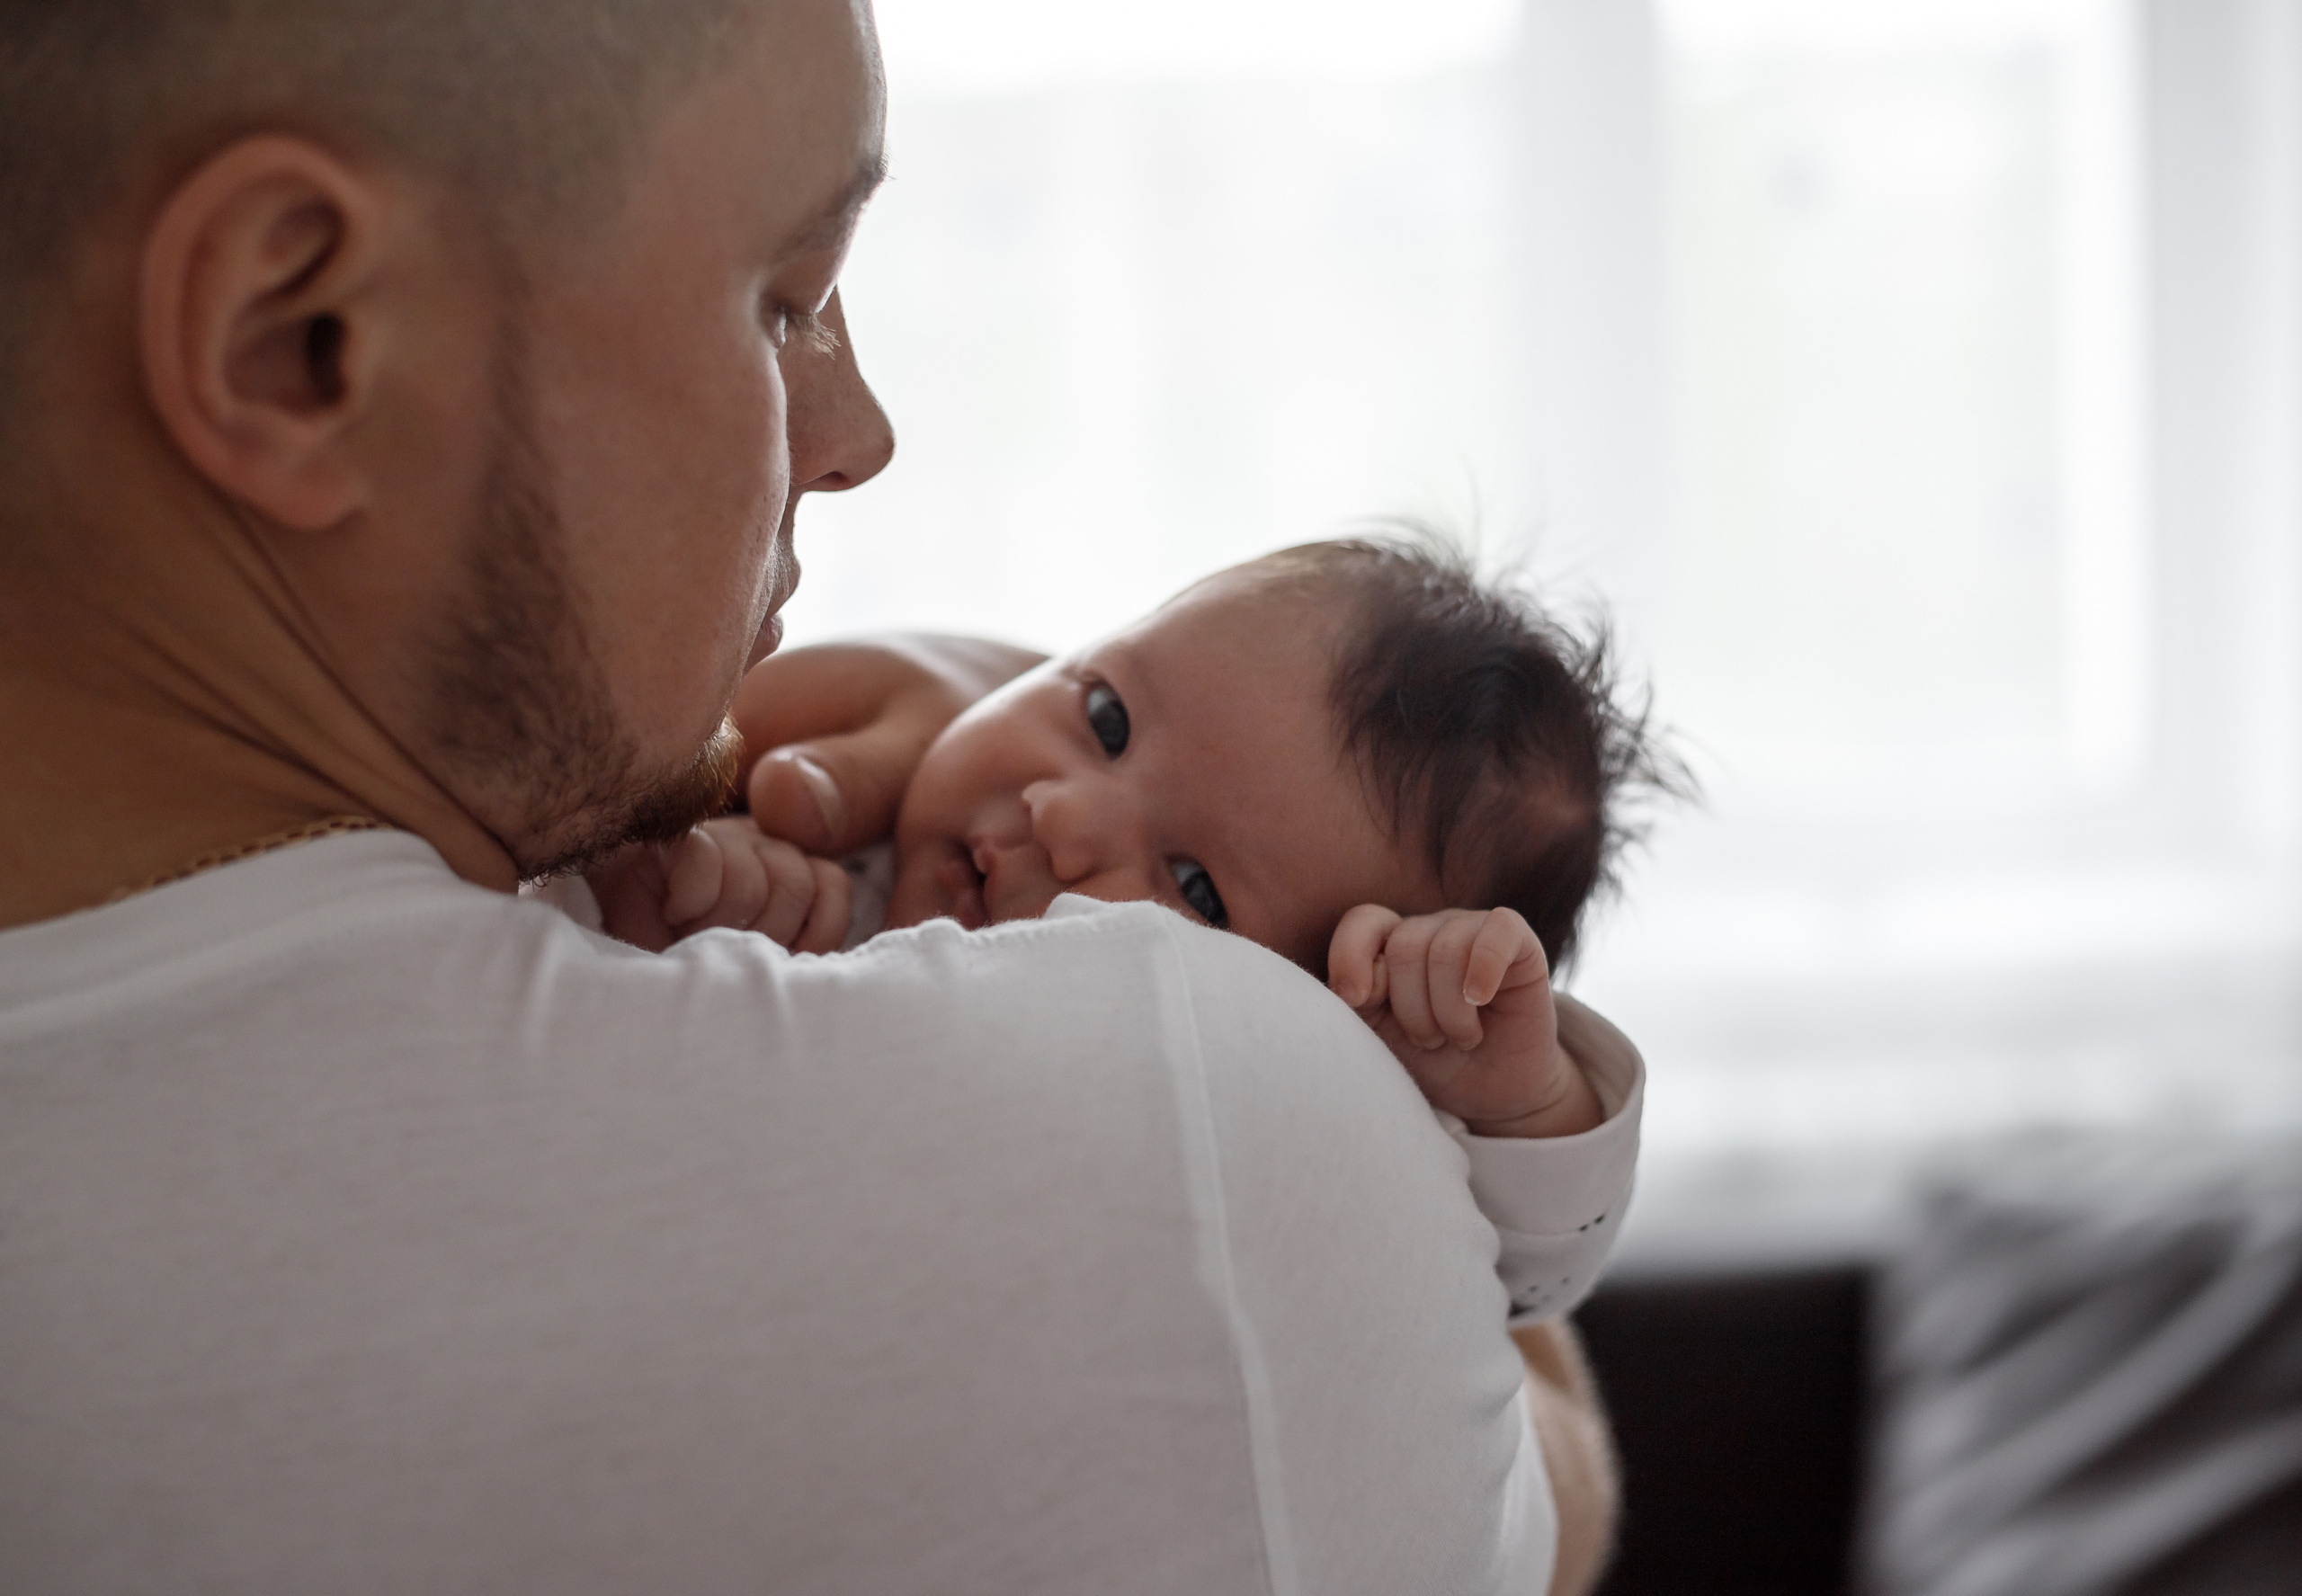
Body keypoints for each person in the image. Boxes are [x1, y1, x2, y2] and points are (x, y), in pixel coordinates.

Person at [0, 4, 1635, 1592]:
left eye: (1198, 878)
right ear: (299, 338)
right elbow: (1519, 1441)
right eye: (789, 299)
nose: (857, 436)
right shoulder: (1191, 1137)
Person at [578, 539, 1676, 1215]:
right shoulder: (830, 853)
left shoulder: (1269, 1112)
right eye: (1104, 717)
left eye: (1196, 886)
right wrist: (697, 900)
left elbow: (1518, 1288)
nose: (1064, 817)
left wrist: (1522, 1104)